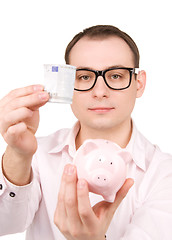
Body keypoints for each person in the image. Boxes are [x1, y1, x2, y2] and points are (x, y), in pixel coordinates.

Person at [0, 25, 172, 240]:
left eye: (116, 76)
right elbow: (4, 225)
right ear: (67, 84)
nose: (99, 92)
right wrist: (17, 154)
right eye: (84, 77)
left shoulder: (165, 174)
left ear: (139, 83)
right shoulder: (36, 154)